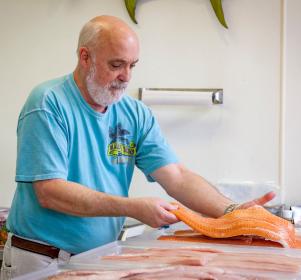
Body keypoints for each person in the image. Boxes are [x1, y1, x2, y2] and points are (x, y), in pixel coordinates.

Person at [1, 15, 275, 279]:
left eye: (133, 65)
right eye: (117, 64)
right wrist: (132, 207)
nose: (126, 76)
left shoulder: (134, 113)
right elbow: (50, 193)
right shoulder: (48, 103)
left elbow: (177, 176)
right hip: (42, 259)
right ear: (85, 57)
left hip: (98, 257)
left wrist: (232, 212)